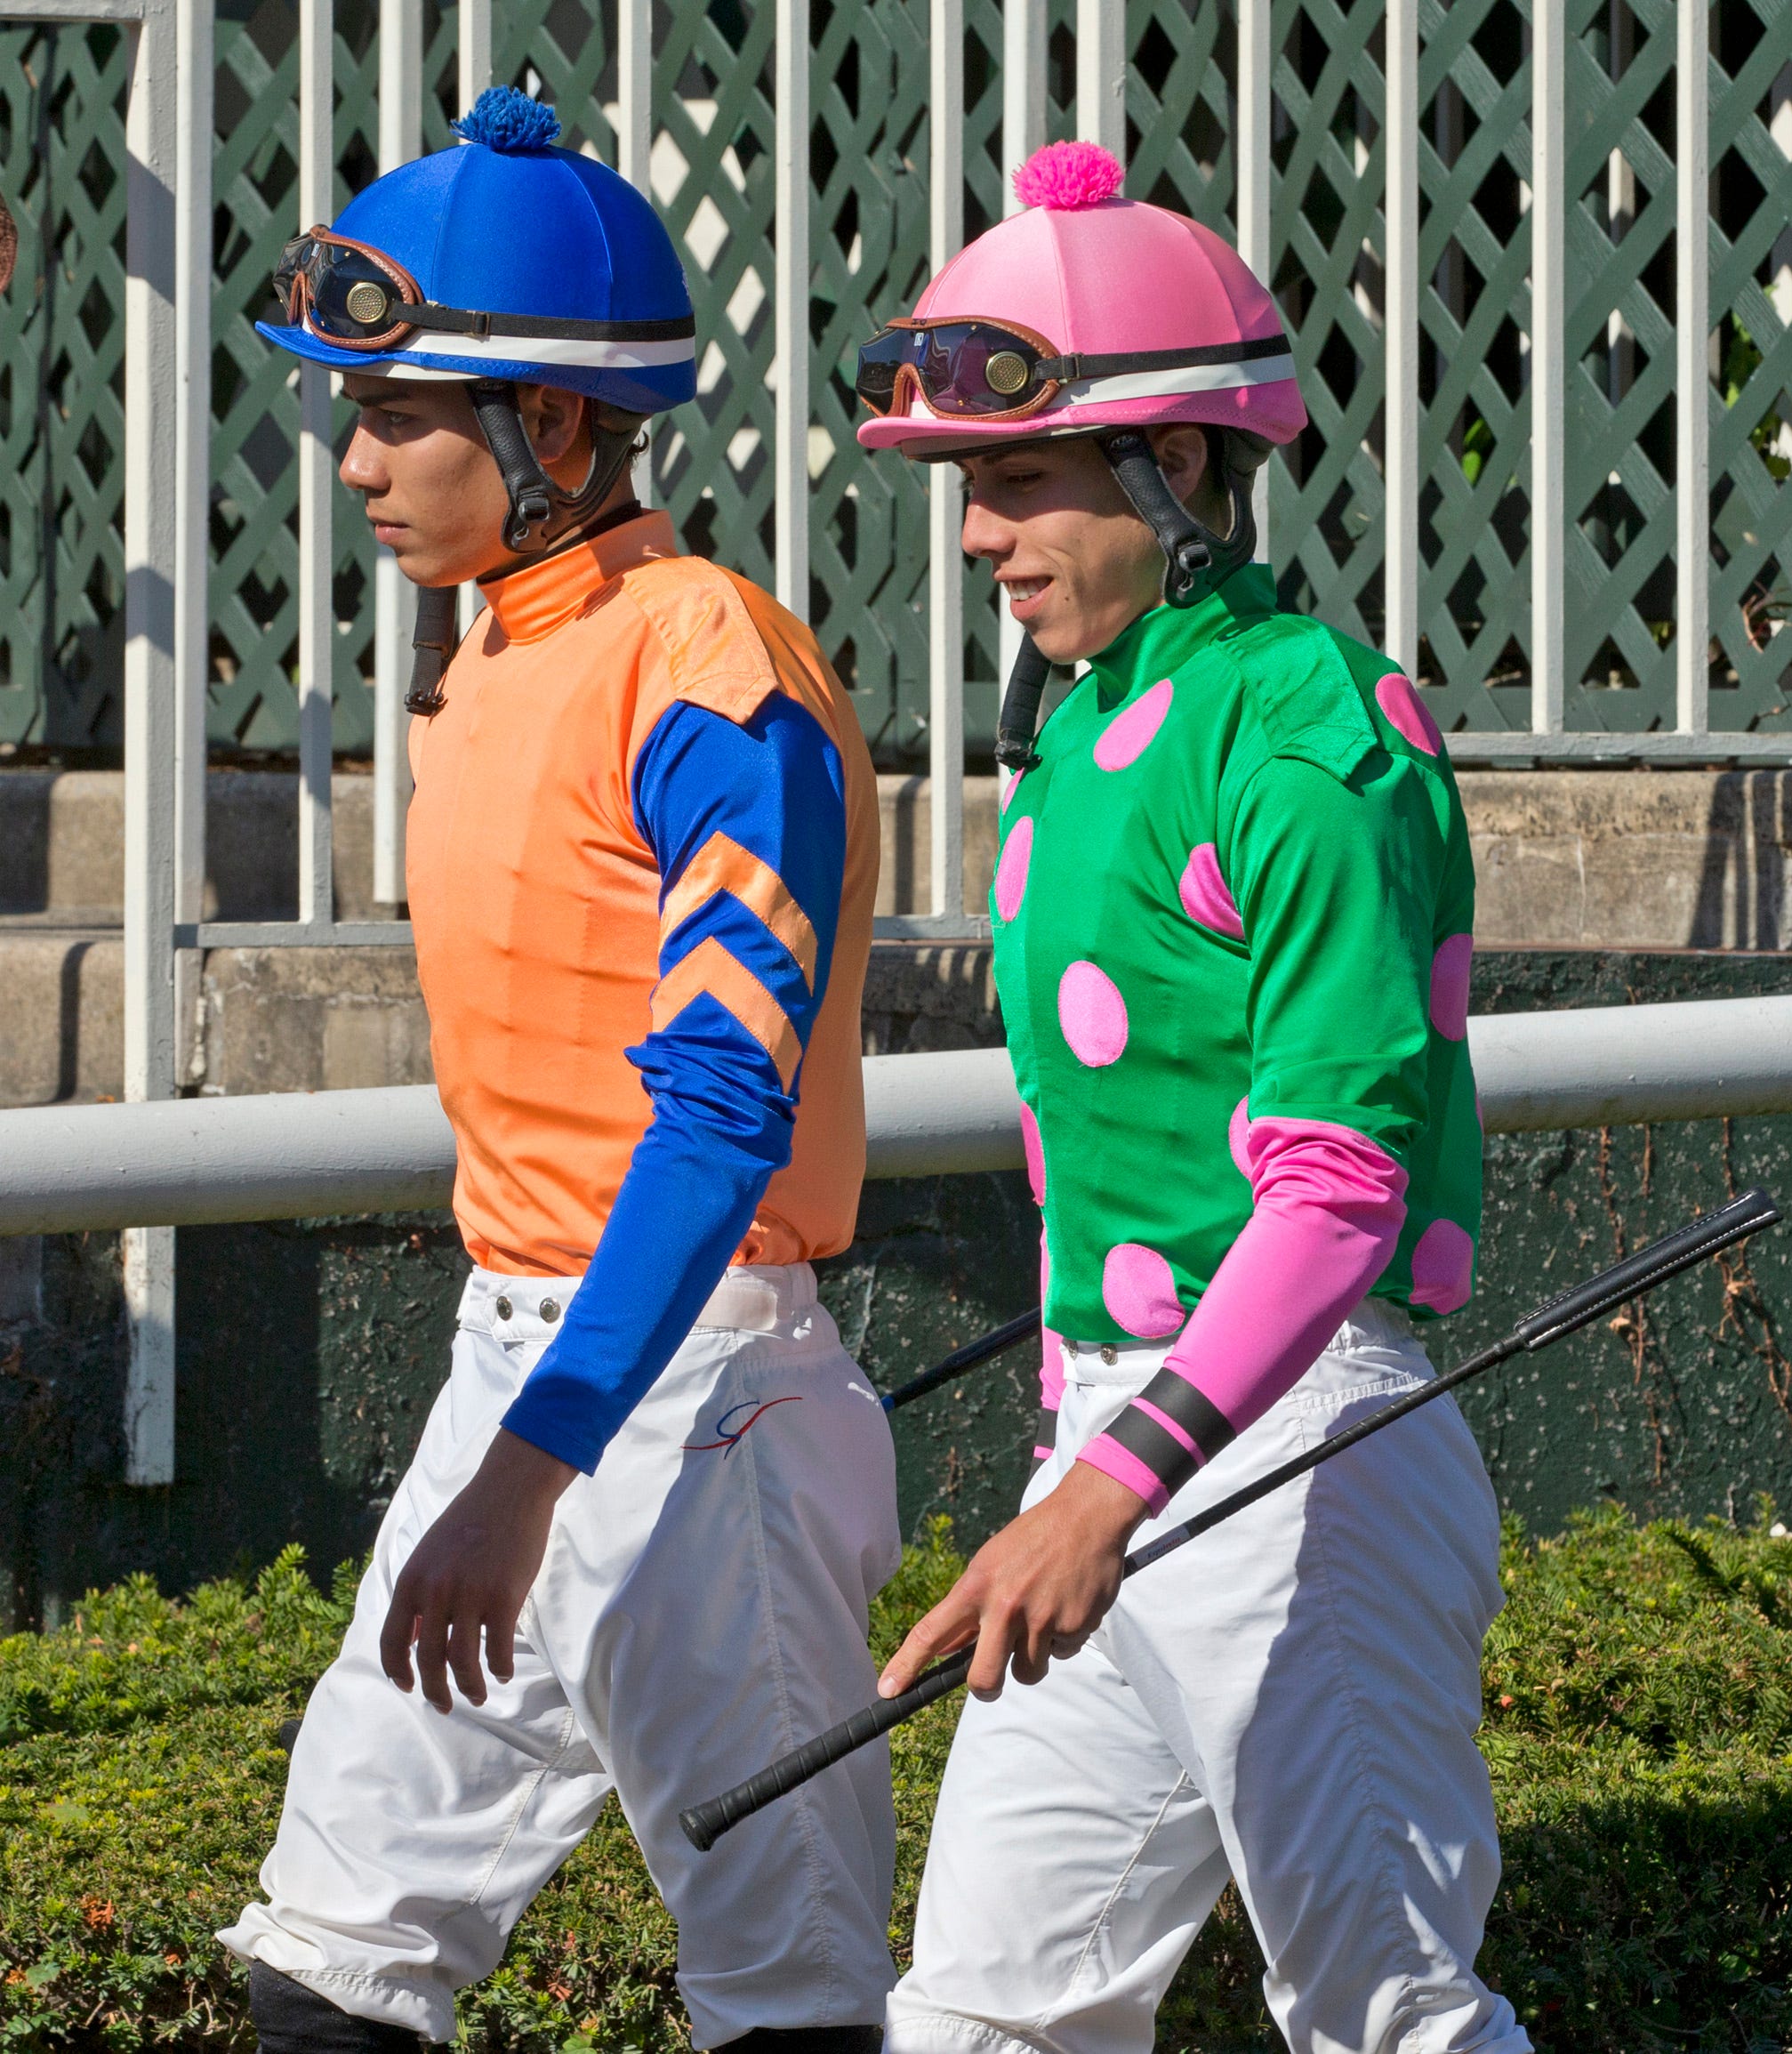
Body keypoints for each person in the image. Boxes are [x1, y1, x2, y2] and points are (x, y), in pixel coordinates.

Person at [221, 86, 896, 2054]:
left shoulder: (712, 672)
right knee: (327, 1968)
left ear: (557, 430)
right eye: (353, 412)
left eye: (398, 416)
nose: (354, 465)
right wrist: (514, 1438)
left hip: (699, 1404)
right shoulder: (494, 652)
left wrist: (537, 1466)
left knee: (788, 2007)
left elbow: (721, 1105)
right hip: (518, 1361)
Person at [856, 141, 1530, 2054]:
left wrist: (1112, 1493)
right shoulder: (1077, 726)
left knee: (1384, 2021)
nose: (980, 536)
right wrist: (1093, 1472)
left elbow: (1329, 1188)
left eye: (1020, 481)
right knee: (978, 2023)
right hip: (1115, 1442)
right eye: (971, 490)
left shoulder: (1313, 738)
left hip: (1297, 1459)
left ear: (1178, 468)